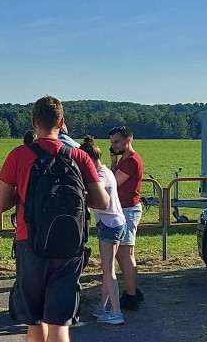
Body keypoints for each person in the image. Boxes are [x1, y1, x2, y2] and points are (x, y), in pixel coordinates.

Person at [0, 96, 109, 342]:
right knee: (60, 324)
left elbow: (0, 204)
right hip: (69, 244)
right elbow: (102, 201)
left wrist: (25, 195)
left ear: (34, 122)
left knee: (35, 322)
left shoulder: (19, 155)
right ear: (62, 122)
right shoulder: (80, 157)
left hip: (30, 241)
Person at [79, 136, 126, 325]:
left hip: (109, 224)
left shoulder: (99, 176)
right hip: (116, 222)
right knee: (107, 269)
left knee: (108, 270)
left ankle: (116, 312)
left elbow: (97, 197)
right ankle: (103, 307)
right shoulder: (106, 171)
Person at [108, 125, 145, 311]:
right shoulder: (124, 159)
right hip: (123, 209)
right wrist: (114, 161)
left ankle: (131, 295)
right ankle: (132, 289)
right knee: (122, 254)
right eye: (112, 143)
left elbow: (113, 182)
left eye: (116, 142)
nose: (113, 146)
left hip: (129, 209)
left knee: (126, 253)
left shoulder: (131, 161)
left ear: (127, 140)